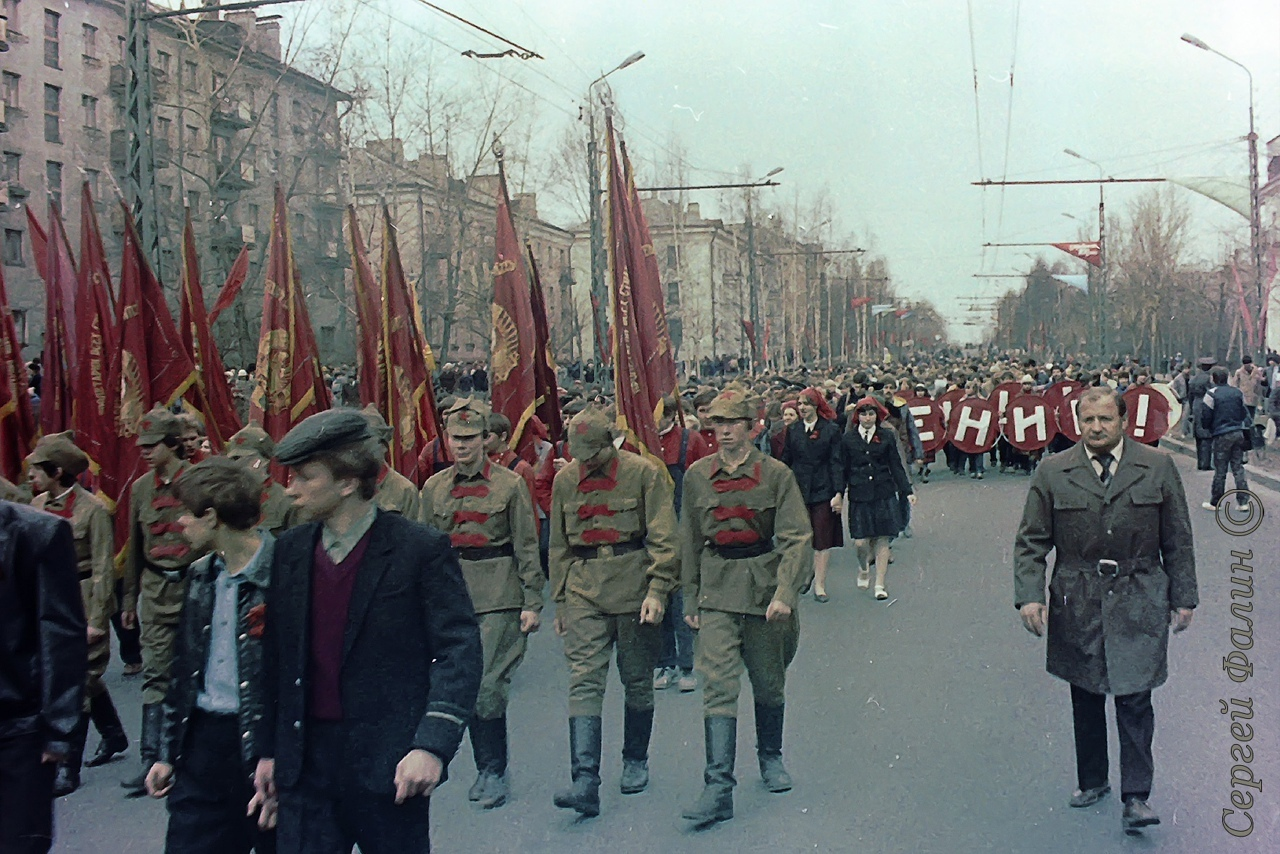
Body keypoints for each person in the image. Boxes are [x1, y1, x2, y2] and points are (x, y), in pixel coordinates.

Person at [252, 409, 483, 854]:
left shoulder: (418, 549)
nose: (290, 488)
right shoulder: (290, 551)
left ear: (347, 482)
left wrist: (431, 746)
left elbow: (459, 649)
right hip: (307, 768)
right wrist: (267, 751)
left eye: (304, 476)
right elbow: (276, 659)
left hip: (390, 767)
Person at [1014, 387, 1197, 835]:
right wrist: (1029, 595)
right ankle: (1092, 779)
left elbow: (1177, 537)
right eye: (1088, 420)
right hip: (1077, 594)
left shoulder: (1156, 466)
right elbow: (1032, 541)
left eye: (1105, 420)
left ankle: (1136, 796)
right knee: (1087, 689)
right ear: (1078, 422)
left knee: (1135, 694)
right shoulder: (1053, 471)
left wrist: (1184, 596)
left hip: (1139, 592)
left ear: (1123, 421)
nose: (1096, 428)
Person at [679, 388, 813, 827]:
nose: (724, 433)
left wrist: (785, 593)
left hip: (762, 586)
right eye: (717, 425)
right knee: (717, 684)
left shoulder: (776, 475)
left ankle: (770, 756)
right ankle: (718, 786)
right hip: (717, 589)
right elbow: (689, 540)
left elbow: (796, 537)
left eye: (732, 424)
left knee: (769, 681)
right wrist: (690, 595)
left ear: (752, 427)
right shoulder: (698, 475)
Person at [547, 408, 678, 816]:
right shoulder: (565, 479)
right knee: (584, 680)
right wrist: (562, 600)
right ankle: (584, 779)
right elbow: (557, 545)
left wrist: (658, 589)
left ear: (611, 443)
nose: (585, 463)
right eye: (579, 455)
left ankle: (635, 759)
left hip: (635, 586)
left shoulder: (644, 473)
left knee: (637, 679)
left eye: (592, 454)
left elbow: (664, 536)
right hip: (584, 587)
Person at [145, 459, 277, 853]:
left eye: (187, 513)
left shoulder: (286, 572)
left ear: (213, 517)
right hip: (203, 742)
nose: (180, 522)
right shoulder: (201, 574)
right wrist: (166, 754)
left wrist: (282, 760)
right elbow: (183, 670)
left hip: (263, 746)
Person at [419, 400, 543, 810]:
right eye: (456, 438)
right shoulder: (434, 487)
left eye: (471, 438)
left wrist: (532, 600)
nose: (463, 446)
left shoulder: (509, 485)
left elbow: (526, 545)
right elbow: (425, 551)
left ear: (485, 440)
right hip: (452, 596)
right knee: (456, 685)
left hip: (499, 594)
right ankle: (468, 763)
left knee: (487, 687)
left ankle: (493, 769)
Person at [28, 433, 128, 795]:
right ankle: (115, 735)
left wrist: (98, 621)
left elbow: (103, 567)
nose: (32, 477)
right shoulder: (37, 504)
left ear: (57, 471)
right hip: (49, 600)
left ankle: (67, 767)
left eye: (38, 470)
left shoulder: (93, 510)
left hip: (83, 597)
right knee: (81, 677)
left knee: (78, 681)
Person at [120, 408, 200, 797]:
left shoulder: (199, 482)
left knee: (196, 673)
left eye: (152, 446)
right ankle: (151, 760)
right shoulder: (139, 489)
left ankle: (191, 756)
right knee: (156, 676)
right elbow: (135, 548)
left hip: (193, 587)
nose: (146, 453)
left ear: (172, 445)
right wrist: (129, 598)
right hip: (155, 591)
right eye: (142, 447)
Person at [0, 499, 86, 853]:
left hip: (17, 725)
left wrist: (58, 729)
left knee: (18, 842)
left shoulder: (36, 533)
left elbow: (60, 634)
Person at [653, 394, 711, 693]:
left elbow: (703, 484)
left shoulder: (691, 440)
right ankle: (664, 662)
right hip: (653, 530)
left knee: (683, 598)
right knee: (657, 596)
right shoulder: (642, 442)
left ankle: (687, 664)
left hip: (684, 527)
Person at [841, 397, 915, 600]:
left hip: (884, 492)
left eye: (871, 414)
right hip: (859, 495)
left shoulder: (886, 436)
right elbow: (842, 469)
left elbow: (896, 465)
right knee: (860, 543)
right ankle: (864, 567)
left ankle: (880, 584)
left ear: (877, 415)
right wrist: (838, 495)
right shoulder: (848, 439)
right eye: (863, 414)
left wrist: (907, 490)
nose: (867, 418)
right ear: (857, 417)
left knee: (883, 539)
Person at [780, 387, 843, 602]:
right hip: (799, 488)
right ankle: (806, 574)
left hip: (823, 488)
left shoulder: (831, 430)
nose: (802, 408)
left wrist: (838, 492)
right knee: (802, 536)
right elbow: (786, 460)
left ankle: (820, 585)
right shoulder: (794, 430)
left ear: (816, 406)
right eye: (799, 404)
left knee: (822, 537)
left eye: (806, 404)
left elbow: (836, 462)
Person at [224, 425, 295, 535]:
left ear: (264, 460)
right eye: (233, 459)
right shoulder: (229, 501)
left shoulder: (284, 502)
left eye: (243, 458)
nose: (236, 465)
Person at [1200, 366, 1250, 511]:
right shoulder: (1237, 392)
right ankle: (1243, 502)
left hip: (1221, 434)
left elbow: (1206, 415)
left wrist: (1209, 428)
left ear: (1213, 378)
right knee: (1238, 467)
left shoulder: (1211, 394)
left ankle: (1216, 502)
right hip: (1238, 432)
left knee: (1220, 469)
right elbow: (1243, 412)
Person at [361, 405, 422, 518]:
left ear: (384, 446)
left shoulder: (404, 490)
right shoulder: (347, 487)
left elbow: (413, 531)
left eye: (369, 445)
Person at [1187, 357, 1215, 470]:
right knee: (1206, 436)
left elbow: (1190, 396)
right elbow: (1212, 393)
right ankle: (1205, 463)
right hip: (1205, 405)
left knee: (1198, 435)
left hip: (1195, 405)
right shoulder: (1208, 379)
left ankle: (1200, 462)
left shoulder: (1193, 379)